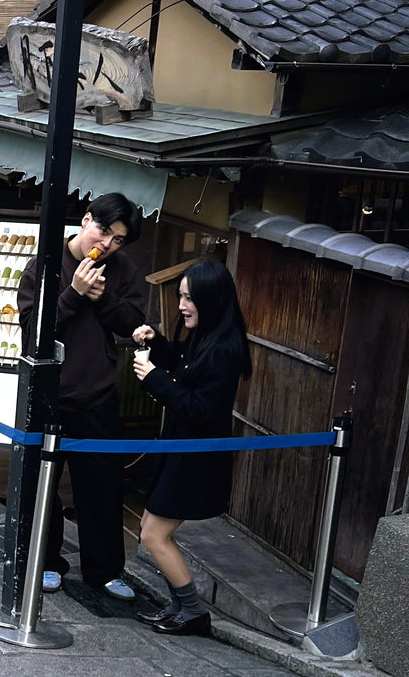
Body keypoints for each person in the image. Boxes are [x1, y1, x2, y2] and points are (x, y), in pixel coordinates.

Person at [17, 191, 146, 600]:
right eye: (103, 231)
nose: (106, 244)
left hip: (98, 392)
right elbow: (33, 333)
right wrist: (73, 293)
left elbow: (132, 322)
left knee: (103, 485)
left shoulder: (122, 268)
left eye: (118, 239)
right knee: (44, 485)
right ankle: (46, 562)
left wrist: (103, 298)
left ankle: (104, 570)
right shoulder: (44, 264)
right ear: (86, 220)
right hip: (50, 394)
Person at [131, 260, 251, 636]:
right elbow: (182, 362)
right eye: (181, 296)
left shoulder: (225, 349)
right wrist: (155, 341)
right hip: (181, 450)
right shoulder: (207, 335)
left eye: (189, 298)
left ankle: (194, 612)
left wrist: (154, 380)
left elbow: (200, 409)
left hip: (196, 458)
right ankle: (181, 607)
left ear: (210, 299)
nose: (181, 305)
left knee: (153, 535)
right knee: (149, 528)